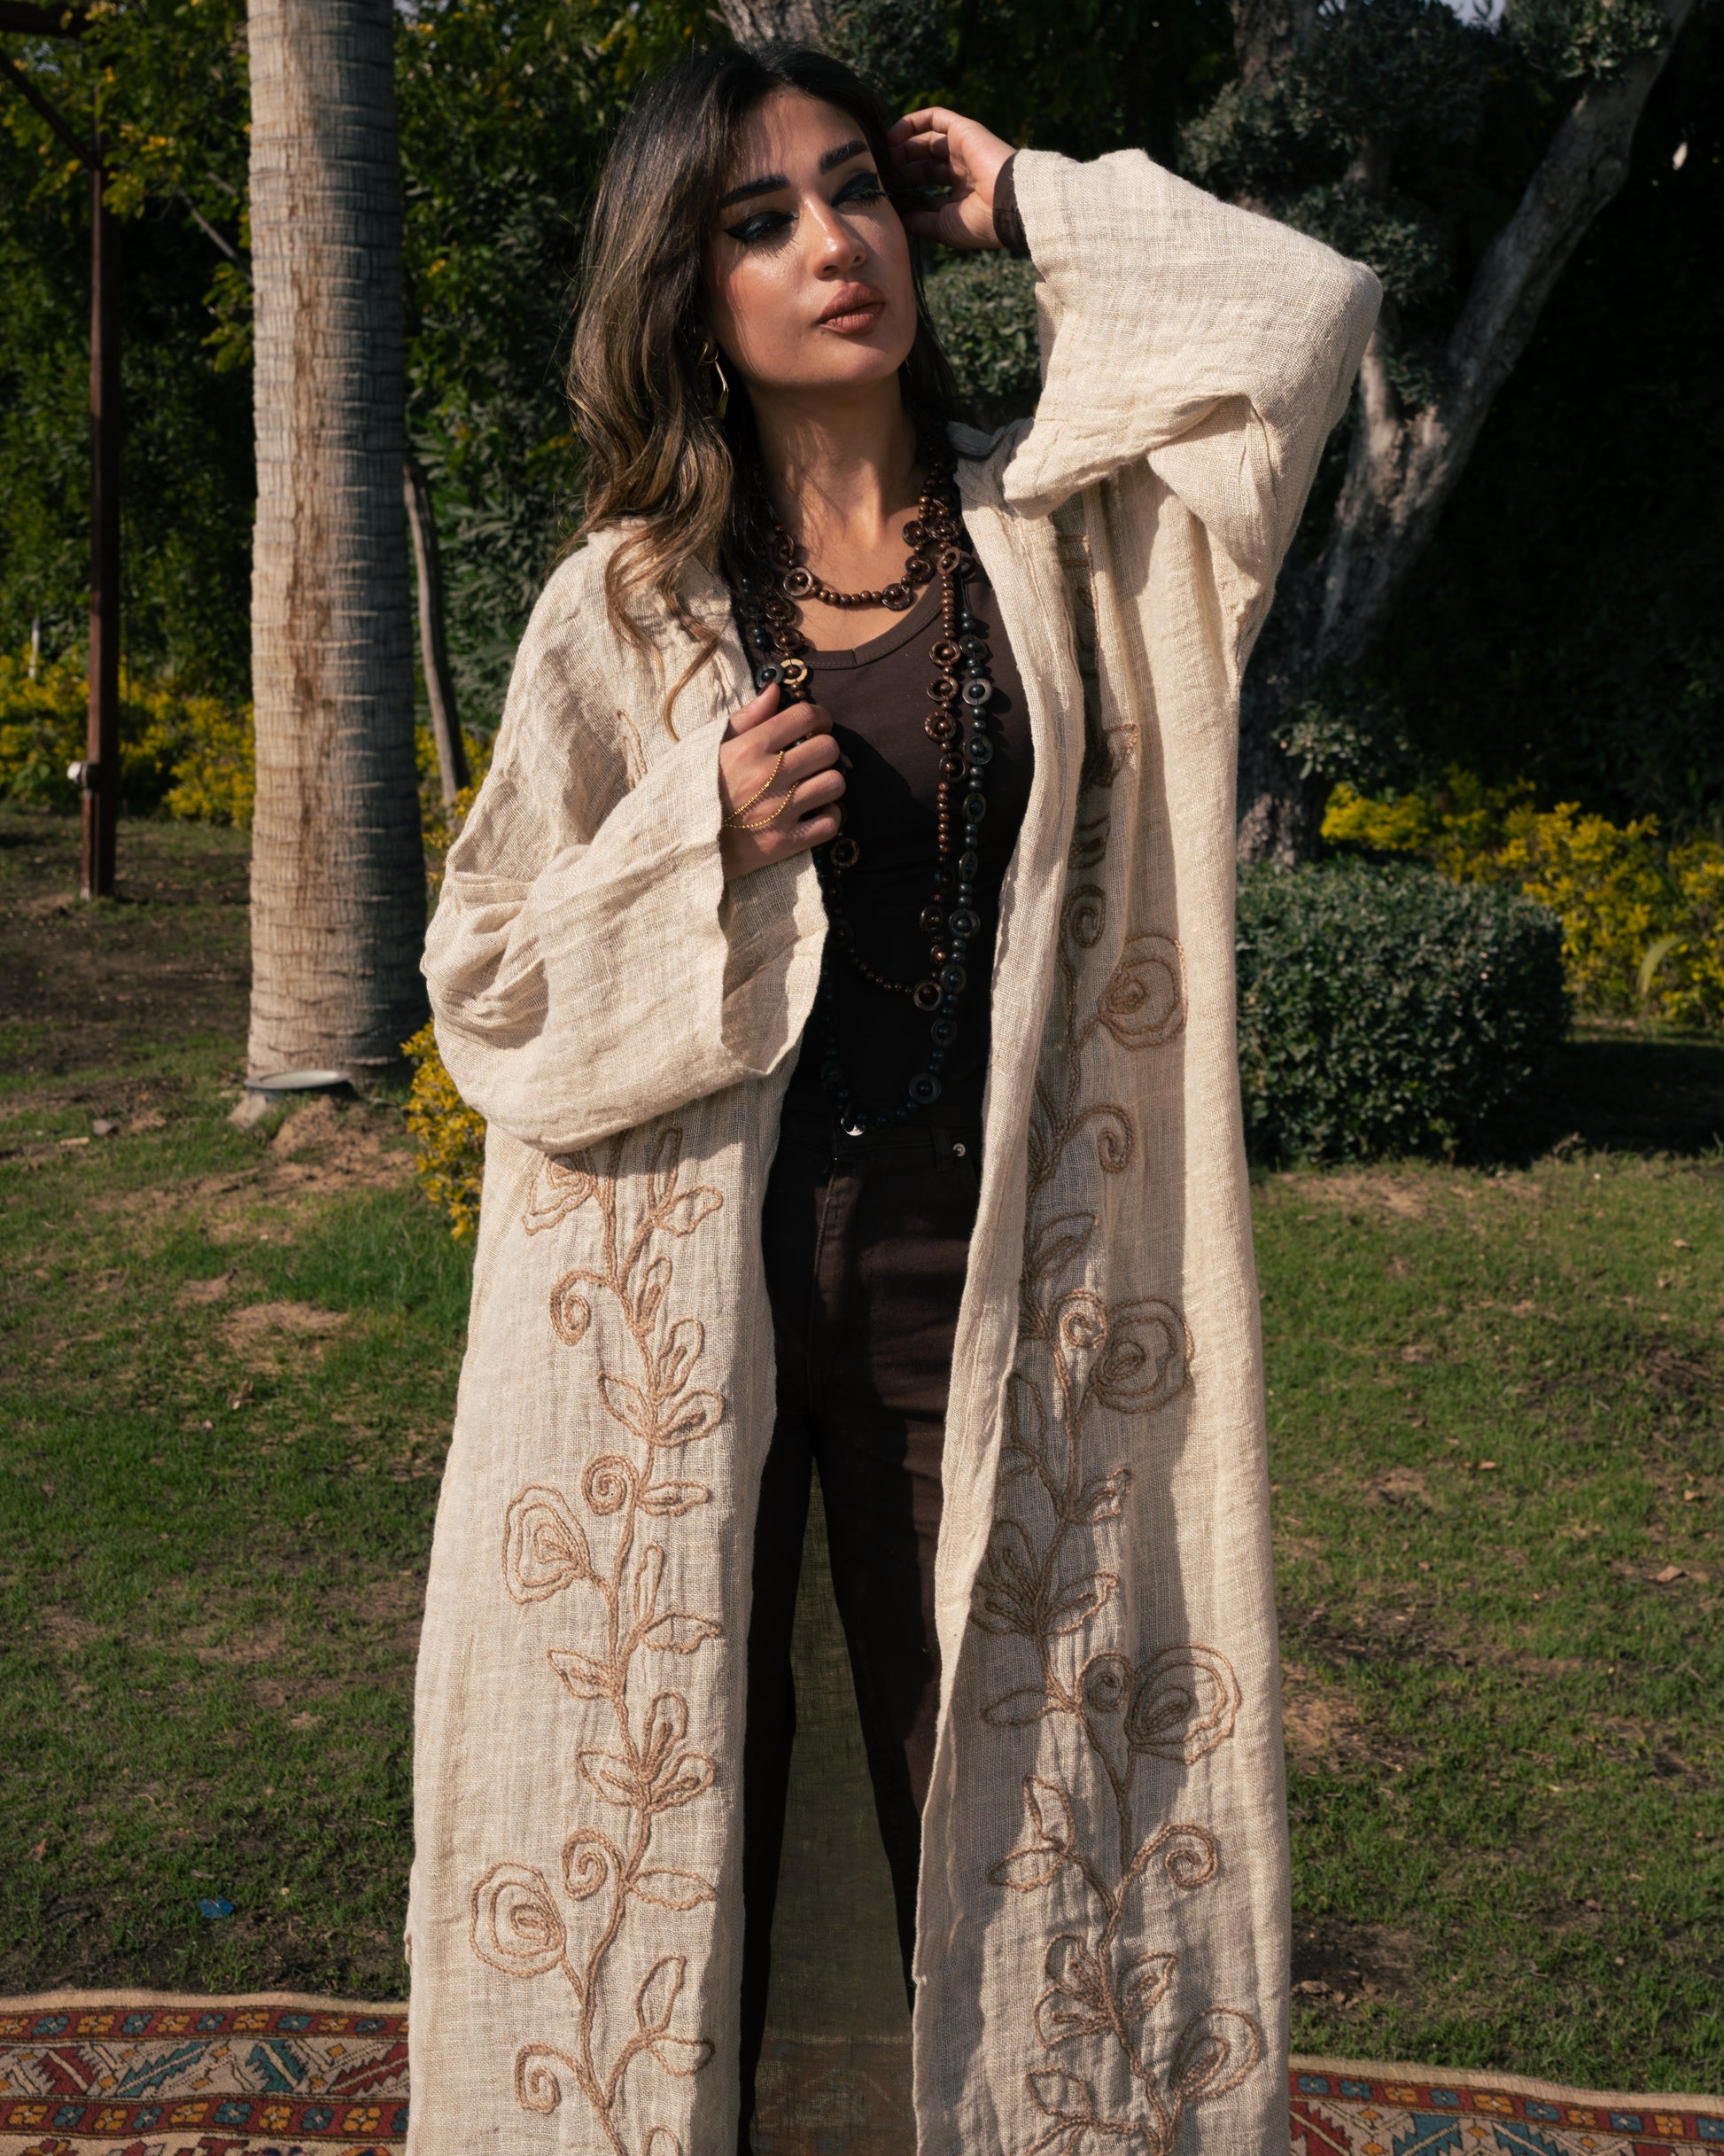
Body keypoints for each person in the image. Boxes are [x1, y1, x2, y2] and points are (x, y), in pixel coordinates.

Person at [406, 40, 1378, 2156]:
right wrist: (695, 833)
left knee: (1030, 1833)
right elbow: (486, 983)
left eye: (855, 189)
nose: (832, 243)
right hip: (681, 1319)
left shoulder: (1071, 530)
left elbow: (1298, 314)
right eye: (759, 220)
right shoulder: (627, 607)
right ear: (689, 293)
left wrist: (1024, 194)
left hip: (1002, 1293)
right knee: (677, 1849)